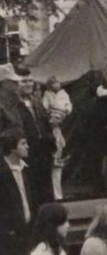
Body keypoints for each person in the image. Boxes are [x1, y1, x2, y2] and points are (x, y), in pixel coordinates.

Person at [16, 74, 55, 208]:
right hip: (26, 152)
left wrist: (51, 142)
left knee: (47, 190)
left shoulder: (36, 101)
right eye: (24, 81)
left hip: (43, 152)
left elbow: (45, 124)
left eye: (31, 80)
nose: (28, 84)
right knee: (31, 191)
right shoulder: (13, 105)